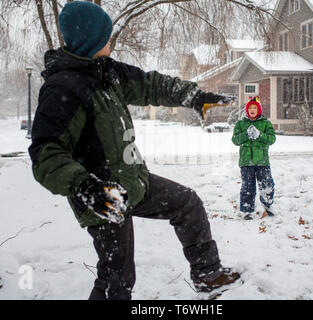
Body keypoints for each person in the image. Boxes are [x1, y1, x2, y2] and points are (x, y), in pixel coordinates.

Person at [28, 1, 241, 300]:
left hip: (132, 181)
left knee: (187, 203)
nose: (110, 41)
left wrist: (195, 97)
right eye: (105, 36)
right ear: (89, 40)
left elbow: (151, 85)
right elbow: (46, 153)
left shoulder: (108, 72)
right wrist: (87, 187)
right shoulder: (63, 88)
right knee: (118, 276)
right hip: (102, 196)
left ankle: (209, 275)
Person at [231, 96, 276, 220]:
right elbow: (235, 140)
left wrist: (259, 135)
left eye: (255, 108)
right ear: (247, 110)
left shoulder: (265, 123)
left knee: (267, 184)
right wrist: (246, 135)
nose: (252, 110)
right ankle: (246, 209)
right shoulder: (241, 124)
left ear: (259, 110)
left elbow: (272, 139)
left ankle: (268, 205)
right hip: (246, 162)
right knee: (248, 187)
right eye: (250, 107)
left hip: (262, 161)